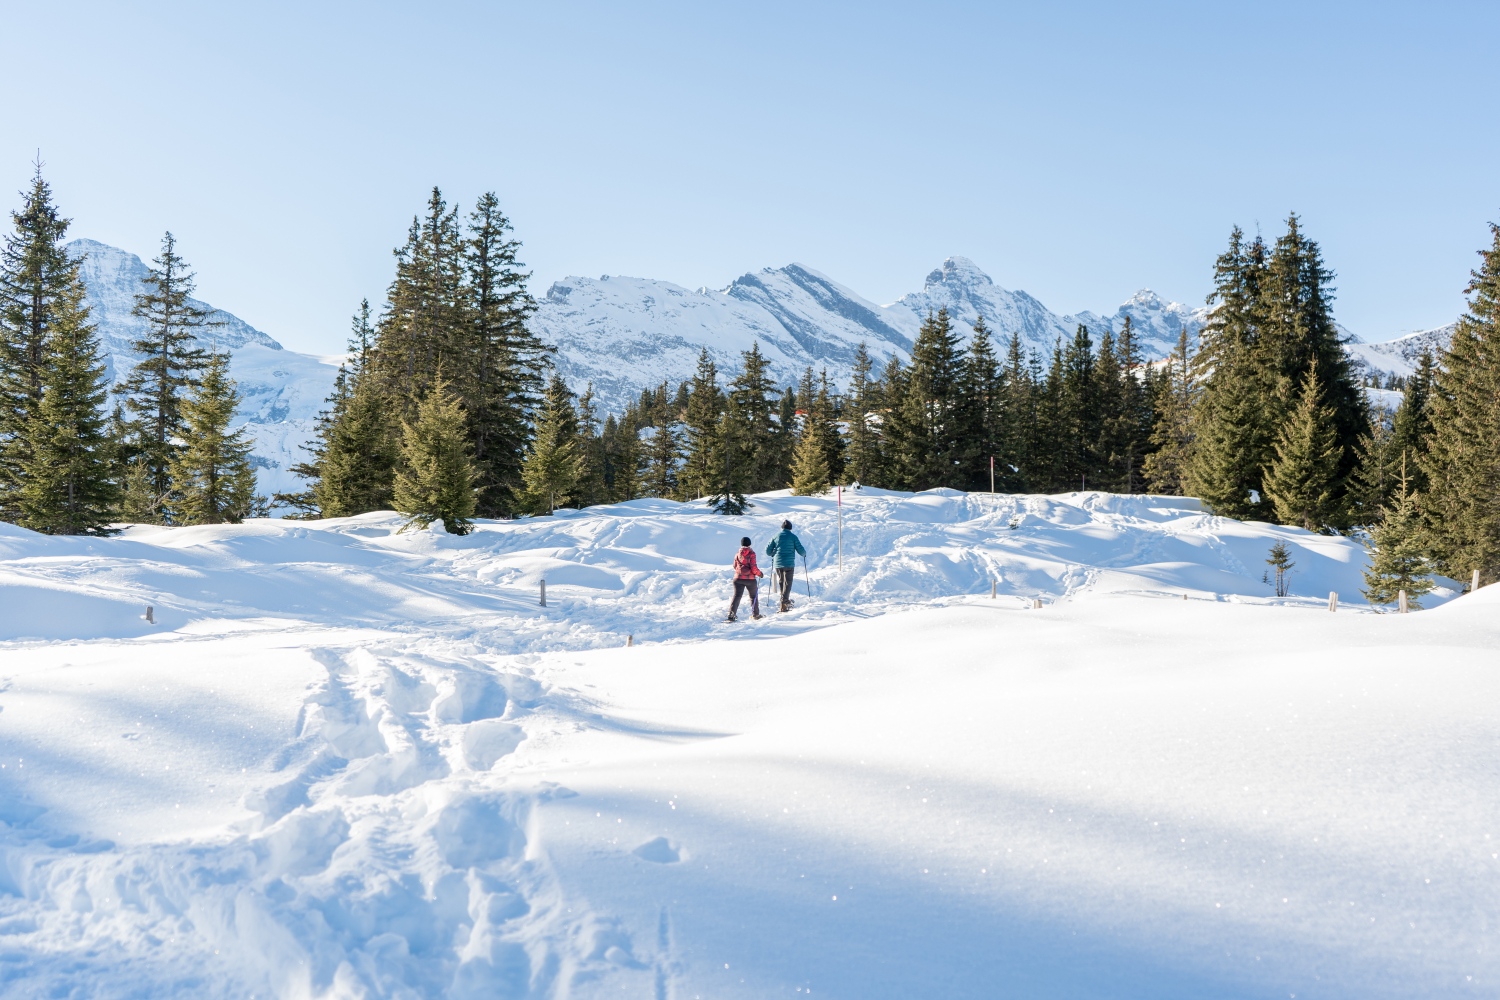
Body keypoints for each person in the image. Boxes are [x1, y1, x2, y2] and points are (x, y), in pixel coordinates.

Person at [765, 519, 806, 612]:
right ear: (790, 528)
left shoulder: (776, 536)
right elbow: (800, 549)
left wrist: (773, 553)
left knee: (781, 581)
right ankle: (784, 602)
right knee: (788, 583)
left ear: (782, 528)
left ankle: (783, 600)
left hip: (778, 563)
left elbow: (768, 551)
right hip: (789, 563)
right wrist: (804, 554)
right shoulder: (793, 537)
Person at [727, 536, 763, 622]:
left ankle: (731, 614)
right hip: (750, 579)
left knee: (737, 596)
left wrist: (740, 572)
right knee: (753, 596)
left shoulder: (737, 554)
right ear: (749, 544)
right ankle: (755, 614)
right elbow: (754, 568)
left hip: (738, 578)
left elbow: (734, 566)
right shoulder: (752, 554)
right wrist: (760, 574)